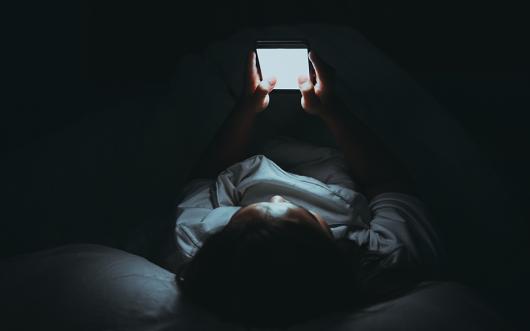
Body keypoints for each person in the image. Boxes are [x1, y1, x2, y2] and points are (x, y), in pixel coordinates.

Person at [171, 50, 443, 328]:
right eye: (306, 214)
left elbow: (204, 177)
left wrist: (245, 108)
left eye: (242, 216)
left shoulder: (198, 244)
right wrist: (332, 109)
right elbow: (386, 182)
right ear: (332, 248)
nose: (278, 197)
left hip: (243, 149)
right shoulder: (383, 256)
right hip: (340, 152)